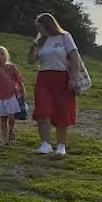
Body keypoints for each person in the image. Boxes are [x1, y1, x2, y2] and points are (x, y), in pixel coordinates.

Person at [30, 12, 81, 155]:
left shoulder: (65, 37)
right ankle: (45, 144)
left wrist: (73, 79)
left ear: (48, 25)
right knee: (42, 111)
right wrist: (32, 48)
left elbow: (75, 59)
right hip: (44, 77)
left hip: (62, 77)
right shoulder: (41, 41)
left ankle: (61, 146)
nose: (38, 31)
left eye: (39, 27)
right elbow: (31, 60)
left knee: (62, 111)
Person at [0, 46, 25, 145]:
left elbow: (18, 79)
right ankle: (5, 138)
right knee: (3, 119)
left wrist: (22, 90)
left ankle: (11, 131)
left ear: (6, 56)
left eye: (2, 54)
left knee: (11, 116)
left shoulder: (11, 67)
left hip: (11, 96)